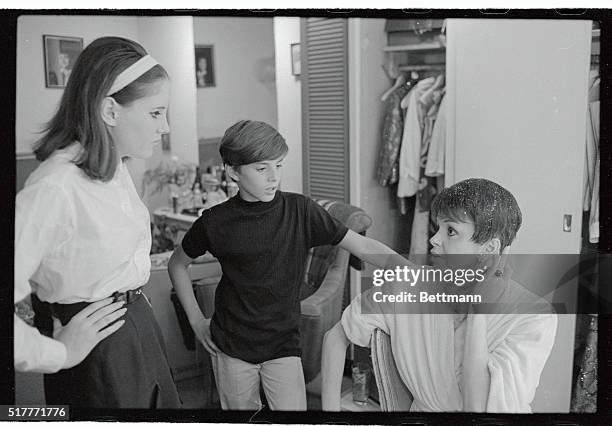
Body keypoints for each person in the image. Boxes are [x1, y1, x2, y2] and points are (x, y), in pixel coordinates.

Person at [168, 120, 409, 411]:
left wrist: (415, 273)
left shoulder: (301, 211)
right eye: (261, 168)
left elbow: (364, 246)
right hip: (231, 346)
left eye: (279, 165)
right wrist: (195, 320)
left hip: (284, 345)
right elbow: (177, 265)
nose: (274, 177)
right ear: (233, 171)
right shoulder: (214, 222)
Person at [15, 36, 181, 408]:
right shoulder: (54, 188)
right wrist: (59, 353)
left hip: (136, 332)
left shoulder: (114, 169)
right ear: (109, 111)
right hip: (98, 353)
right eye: (155, 113)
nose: (166, 126)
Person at [321, 178, 558, 412]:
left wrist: (478, 313)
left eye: (451, 231)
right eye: (438, 228)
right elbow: (336, 336)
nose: (434, 239)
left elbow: (477, 408)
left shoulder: (534, 316)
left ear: (489, 249)